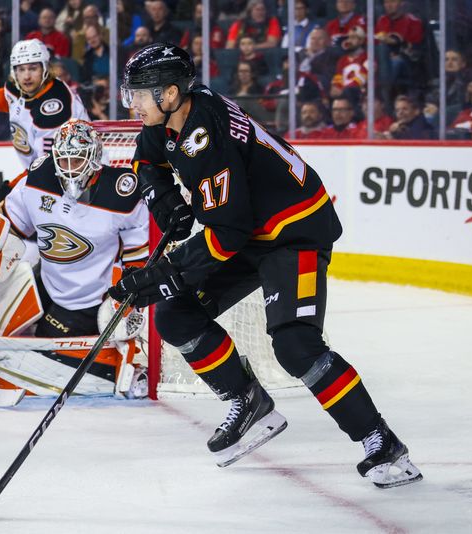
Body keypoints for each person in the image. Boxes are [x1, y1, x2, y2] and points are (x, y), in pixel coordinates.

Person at [110, 43, 422, 488]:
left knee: (296, 346)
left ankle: (383, 443)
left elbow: (227, 236)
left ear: (172, 93)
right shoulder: (170, 118)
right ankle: (248, 400)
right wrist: (163, 199)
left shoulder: (207, 136)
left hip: (294, 233)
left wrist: (165, 273)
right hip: (250, 231)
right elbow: (147, 158)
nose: (133, 103)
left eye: (140, 94)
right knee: (176, 314)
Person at [0, 119, 148, 390]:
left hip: (85, 301)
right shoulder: (39, 178)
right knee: (0, 331)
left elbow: (138, 256)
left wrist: (129, 294)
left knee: (38, 360)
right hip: (43, 282)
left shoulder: (122, 194)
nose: (68, 170)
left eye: (76, 161)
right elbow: (6, 227)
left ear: (93, 158)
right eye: (62, 161)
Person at [0, 39, 89, 170]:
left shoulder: (56, 108)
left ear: (45, 69)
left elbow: (49, 169)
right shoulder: (21, 88)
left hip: (74, 176)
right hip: (44, 173)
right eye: (21, 69)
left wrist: (12, 186)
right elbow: (10, 100)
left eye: (33, 68)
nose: (26, 76)